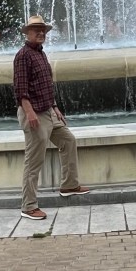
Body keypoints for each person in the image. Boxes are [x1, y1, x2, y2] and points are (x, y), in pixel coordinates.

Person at [13, 15, 89, 220]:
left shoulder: (40, 53)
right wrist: (30, 113)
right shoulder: (23, 56)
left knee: (68, 140)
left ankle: (69, 185)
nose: (41, 33)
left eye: (43, 30)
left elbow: (46, 84)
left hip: (48, 111)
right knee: (34, 161)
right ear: (27, 33)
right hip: (34, 113)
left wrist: (55, 107)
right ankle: (28, 207)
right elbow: (20, 90)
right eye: (36, 30)